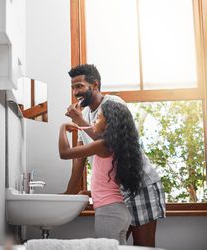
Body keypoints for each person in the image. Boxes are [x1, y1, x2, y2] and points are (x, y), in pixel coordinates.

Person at [64, 64, 166, 247]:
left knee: (143, 246)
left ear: (95, 85)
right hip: (116, 193)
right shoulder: (86, 113)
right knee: (113, 245)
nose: (75, 92)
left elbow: (111, 144)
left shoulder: (113, 104)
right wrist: (69, 194)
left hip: (139, 185)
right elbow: (79, 158)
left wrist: (79, 121)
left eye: (79, 86)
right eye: (72, 87)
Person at [59, 100, 144, 244]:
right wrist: (90, 193)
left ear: (109, 123)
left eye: (98, 118)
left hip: (109, 212)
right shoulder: (116, 146)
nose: (94, 121)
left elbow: (65, 153)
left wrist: (62, 127)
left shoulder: (103, 145)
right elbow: (109, 184)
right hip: (122, 211)